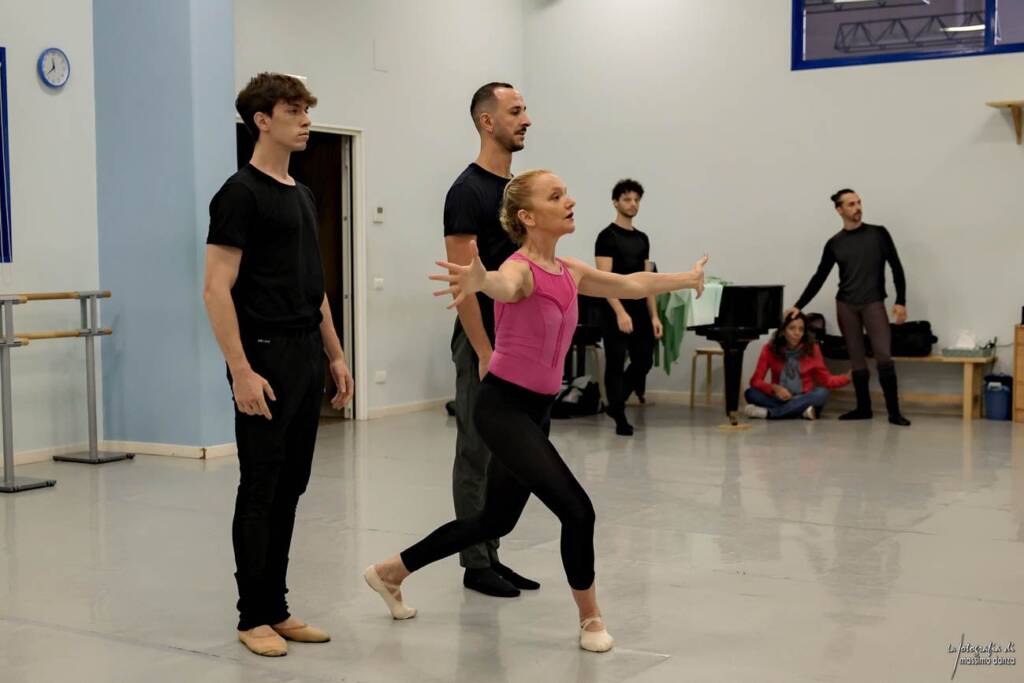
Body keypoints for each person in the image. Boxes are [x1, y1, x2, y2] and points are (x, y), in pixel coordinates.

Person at [364, 169, 708, 653]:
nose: (570, 201)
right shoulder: (520, 269)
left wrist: (686, 279)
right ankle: (591, 620)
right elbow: (502, 285)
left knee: (494, 521)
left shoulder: (569, 270)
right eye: (556, 196)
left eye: (567, 193)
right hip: (503, 408)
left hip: (536, 410)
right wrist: (480, 279)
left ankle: (390, 572)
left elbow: (632, 283)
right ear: (527, 216)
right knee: (578, 511)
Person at [204, 73, 354, 657]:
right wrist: (241, 369)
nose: (306, 120)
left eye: (306, 110)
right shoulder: (239, 194)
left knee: (291, 487)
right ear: (262, 120)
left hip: (304, 352)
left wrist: (335, 353)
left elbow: (314, 286)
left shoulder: (302, 194)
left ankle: (277, 607)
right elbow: (216, 289)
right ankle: (251, 617)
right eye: (294, 111)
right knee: (261, 487)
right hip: (262, 355)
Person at [442, 82, 537, 598]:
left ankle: (493, 552)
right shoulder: (467, 191)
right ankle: (475, 563)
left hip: (518, 340)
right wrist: (483, 351)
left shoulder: (516, 191)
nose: (526, 120)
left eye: (525, 111)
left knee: (508, 455)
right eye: (515, 111)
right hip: (485, 339)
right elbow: (464, 286)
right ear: (487, 121)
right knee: (476, 452)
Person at [785, 189, 911, 426]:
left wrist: (900, 300)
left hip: (873, 302)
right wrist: (798, 305)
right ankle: (863, 408)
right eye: (851, 204)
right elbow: (819, 276)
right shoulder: (834, 243)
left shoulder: (878, 234)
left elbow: (896, 266)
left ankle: (894, 413)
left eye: (859, 202)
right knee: (856, 357)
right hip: (846, 305)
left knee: (883, 355)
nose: (857, 207)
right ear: (839, 210)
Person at [594, 178, 663, 436]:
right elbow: (604, 280)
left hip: (640, 309)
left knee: (644, 360)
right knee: (615, 362)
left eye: (636, 200)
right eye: (627, 199)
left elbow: (648, 281)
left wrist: (654, 316)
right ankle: (620, 417)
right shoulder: (606, 237)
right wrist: (620, 312)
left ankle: (615, 403)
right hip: (615, 309)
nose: (632, 204)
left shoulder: (643, 239)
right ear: (616, 202)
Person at [744, 312, 850, 420]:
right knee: (751, 393)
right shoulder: (769, 349)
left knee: (822, 393)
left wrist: (848, 377)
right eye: (792, 328)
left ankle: (770, 413)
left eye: (801, 329)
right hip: (779, 397)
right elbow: (755, 381)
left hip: (803, 397)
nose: (797, 333)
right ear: (783, 331)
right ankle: (801, 412)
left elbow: (827, 380)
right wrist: (774, 388)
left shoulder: (813, 348)